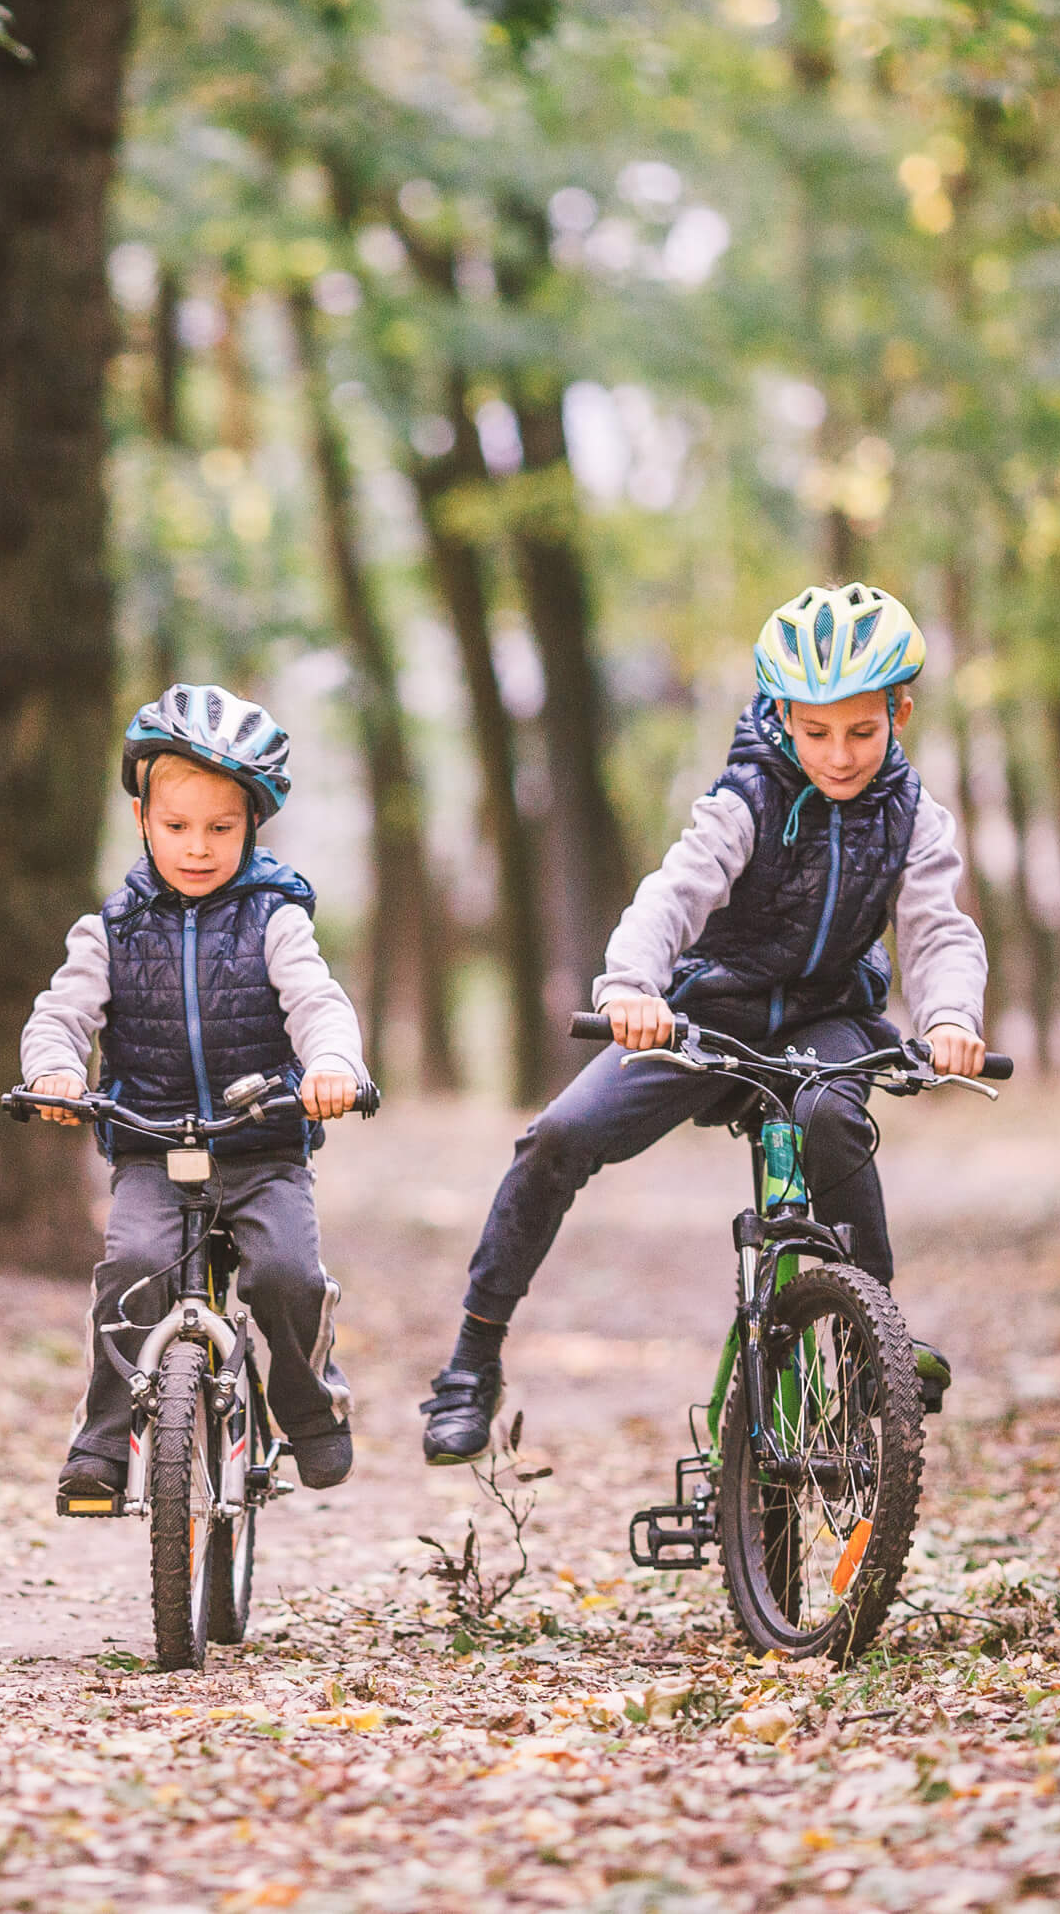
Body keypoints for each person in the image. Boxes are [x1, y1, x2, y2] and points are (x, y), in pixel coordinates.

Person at [420, 583, 989, 1465]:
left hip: (824, 1024)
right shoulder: (745, 802)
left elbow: (939, 929)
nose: (838, 755)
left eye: (862, 732)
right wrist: (632, 988)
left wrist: (950, 1015)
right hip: (705, 1019)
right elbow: (672, 897)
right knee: (558, 1136)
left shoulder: (917, 822)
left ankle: (875, 1333)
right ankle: (472, 1356)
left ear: (899, 714)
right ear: (782, 715)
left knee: (832, 1118)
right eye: (816, 731)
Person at [20, 684, 371, 1502]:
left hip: (261, 1144)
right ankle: (104, 1442)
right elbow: (61, 1014)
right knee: (134, 1268)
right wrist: (54, 1071)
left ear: (253, 826)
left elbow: (319, 1004)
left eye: (221, 828)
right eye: (177, 826)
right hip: (152, 1144)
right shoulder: (109, 930)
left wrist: (333, 1067)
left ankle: (308, 1407)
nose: (199, 847)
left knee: (287, 1272)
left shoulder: (276, 919)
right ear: (142, 819)